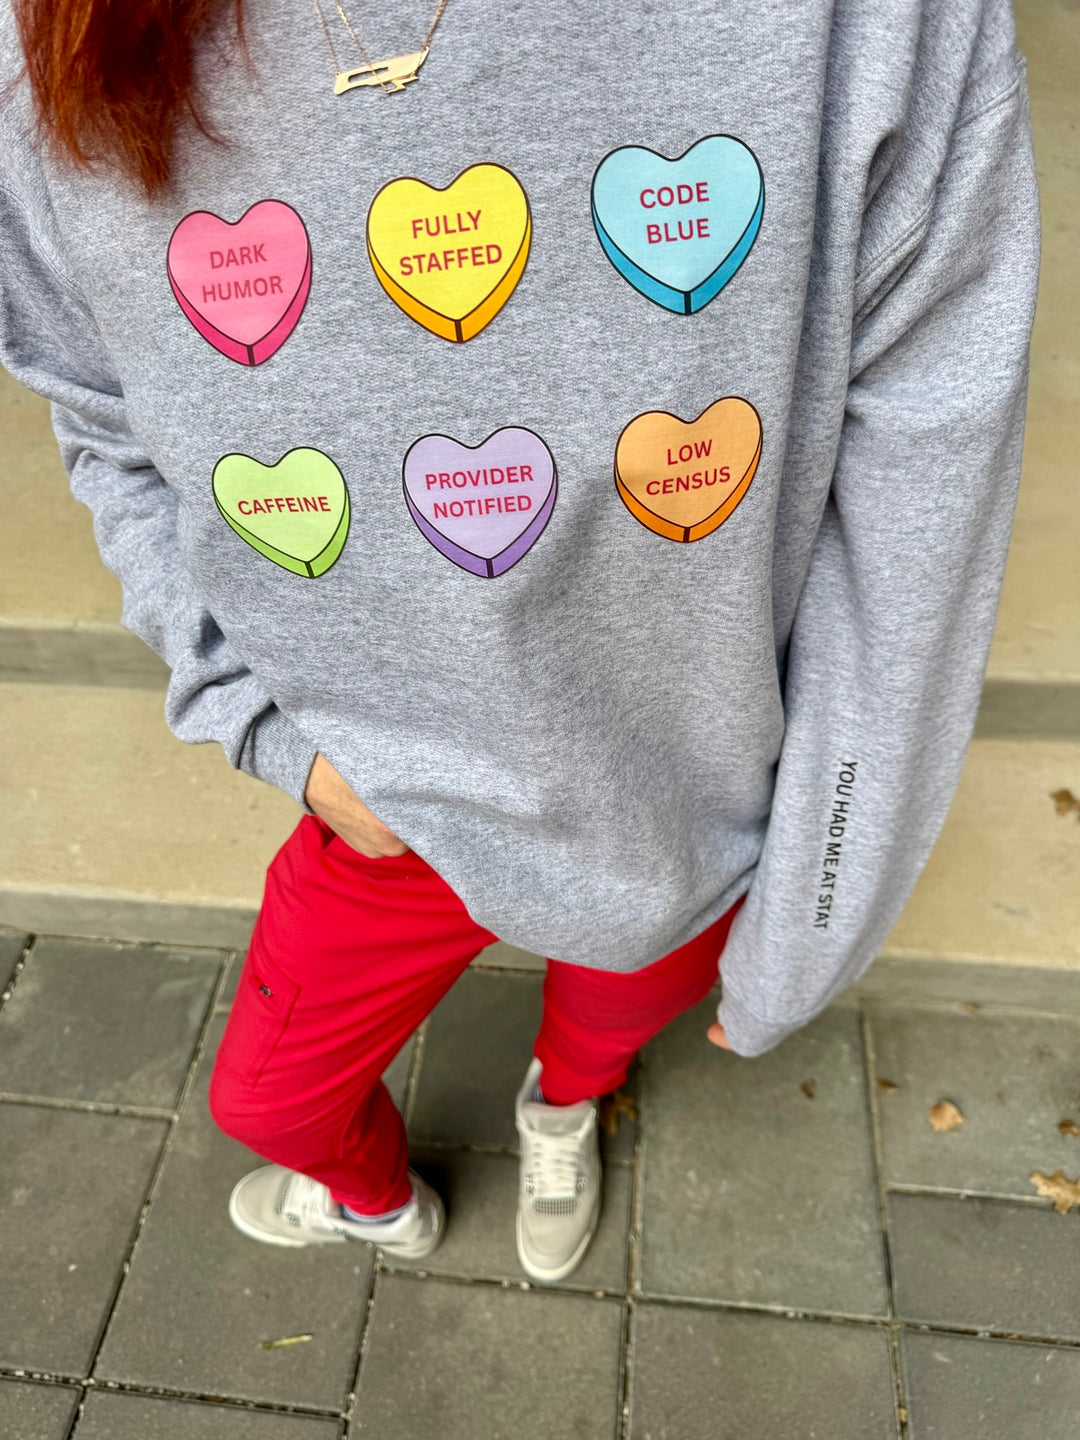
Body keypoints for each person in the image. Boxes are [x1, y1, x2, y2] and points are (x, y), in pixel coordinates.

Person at [0, 0, 1039, 1282]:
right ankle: (372, 1205)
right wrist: (263, 728)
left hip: (680, 806)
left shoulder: (866, 26)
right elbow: (101, 412)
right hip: (382, 812)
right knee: (266, 1103)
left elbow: (914, 510)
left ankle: (561, 1111)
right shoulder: (49, 38)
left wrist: (807, 926)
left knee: (599, 1036)